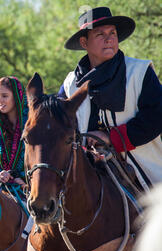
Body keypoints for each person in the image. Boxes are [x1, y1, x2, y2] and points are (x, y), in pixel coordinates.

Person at [59, 6, 162, 190]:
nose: (109, 39)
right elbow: (61, 126)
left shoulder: (139, 72)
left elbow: (155, 118)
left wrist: (110, 137)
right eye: (100, 34)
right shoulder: (70, 84)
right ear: (84, 43)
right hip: (88, 170)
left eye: (112, 33)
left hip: (145, 171)